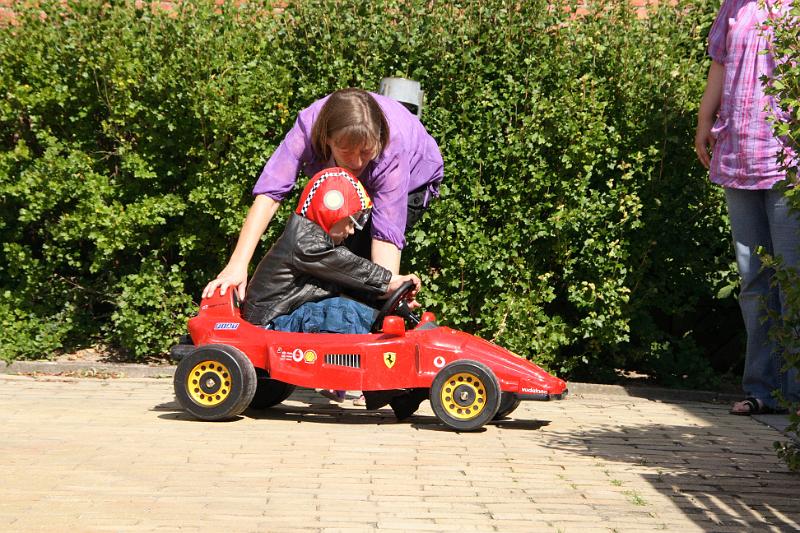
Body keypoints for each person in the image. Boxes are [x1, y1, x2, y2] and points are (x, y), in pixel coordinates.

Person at [203, 87, 443, 407]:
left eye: (365, 153)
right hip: (283, 298)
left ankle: (366, 371)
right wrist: (237, 264)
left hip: (414, 177)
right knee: (340, 274)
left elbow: (386, 233)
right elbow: (271, 192)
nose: (357, 162)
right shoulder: (308, 127)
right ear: (328, 139)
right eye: (347, 151)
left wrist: (389, 291)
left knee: (356, 273)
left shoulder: (391, 149)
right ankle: (345, 370)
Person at [236, 166, 429, 420]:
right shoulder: (305, 242)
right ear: (330, 212)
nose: (351, 231)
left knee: (357, 308)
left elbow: (347, 278)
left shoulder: (313, 240)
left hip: (285, 318)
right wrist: (391, 280)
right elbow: (349, 265)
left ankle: (399, 387)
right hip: (269, 326)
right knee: (341, 312)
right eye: (350, 221)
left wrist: (389, 302)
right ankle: (385, 388)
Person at [695, 0, 798, 416]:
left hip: (789, 162)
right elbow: (719, 63)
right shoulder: (734, 6)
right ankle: (764, 390)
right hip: (739, 155)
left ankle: (795, 393)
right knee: (755, 282)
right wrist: (704, 121)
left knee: (793, 282)